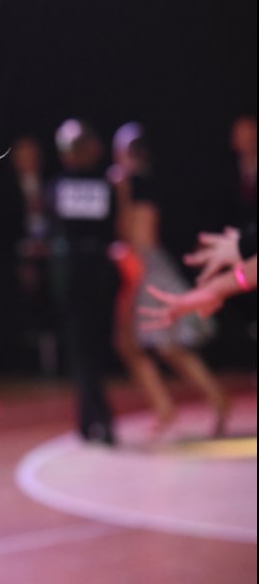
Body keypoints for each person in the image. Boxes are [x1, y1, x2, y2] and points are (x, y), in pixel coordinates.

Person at [109, 123, 228, 436]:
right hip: (142, 266)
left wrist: (121, 195)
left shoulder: (132, 182)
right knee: (135, 345)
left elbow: (132, 234)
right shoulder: (143, 181)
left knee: (165, 346)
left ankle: (215, 399)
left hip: (145, 269)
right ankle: (167, 406)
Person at [48, 119, 117, 444]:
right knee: (89, 349)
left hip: (79, 274)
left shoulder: (59, 186)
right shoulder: (107, 183)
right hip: (92, 273)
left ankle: (93, 420)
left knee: (83, 350)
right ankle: (95, 419)